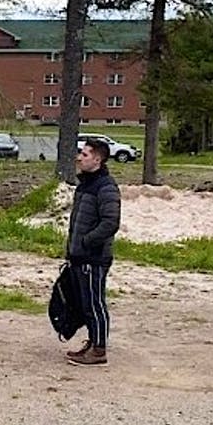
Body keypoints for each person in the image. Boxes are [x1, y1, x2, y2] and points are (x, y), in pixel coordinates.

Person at [64, 138, 121, 366]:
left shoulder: (106, 187)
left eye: (85, 154)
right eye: (81, 153)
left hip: (94, 257)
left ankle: (99, 350)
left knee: (95, 303)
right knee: (85, 303)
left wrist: (87, 242)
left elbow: (111, 222)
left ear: (97, 159)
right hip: (79, 255)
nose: (80, 157)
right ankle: (93, 342)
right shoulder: (86, 184)